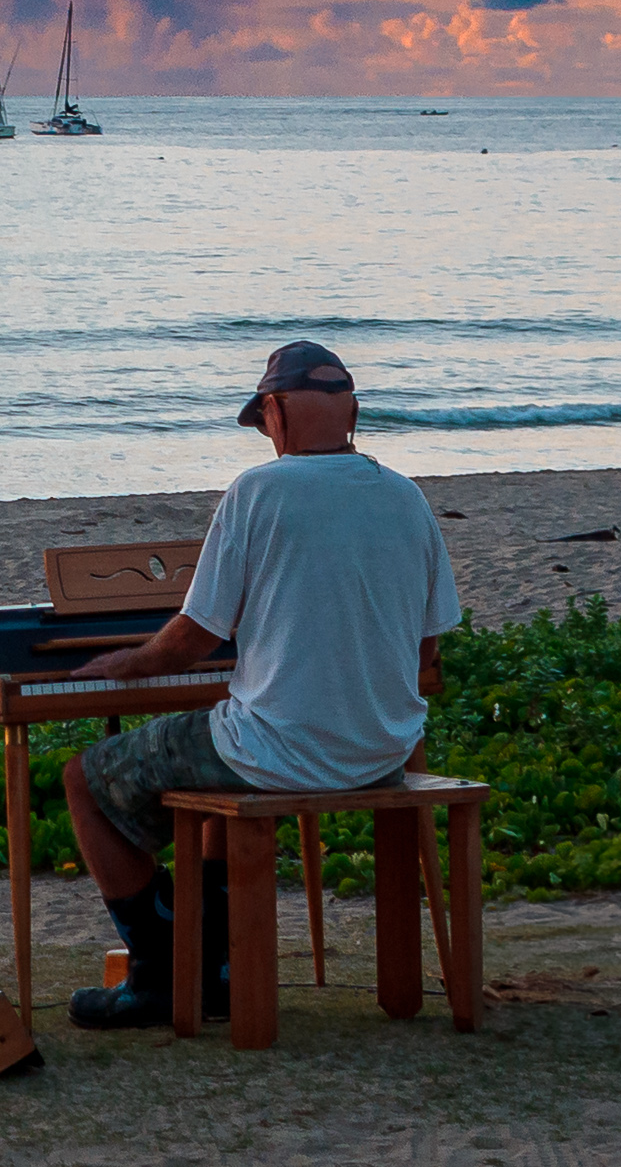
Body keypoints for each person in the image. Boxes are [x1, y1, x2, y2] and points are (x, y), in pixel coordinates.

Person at [59, 341, 463, 1030]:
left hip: (280, 750)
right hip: (382, 751)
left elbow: (193, 639)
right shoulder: (406, 496)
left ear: (274, 411)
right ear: (352, 412)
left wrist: (121, 663)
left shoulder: (258, 491)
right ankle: (214, 967)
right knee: (228, 767)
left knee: (83, 779)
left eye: (263, 419)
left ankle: (159, 970)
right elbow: (425, 650)